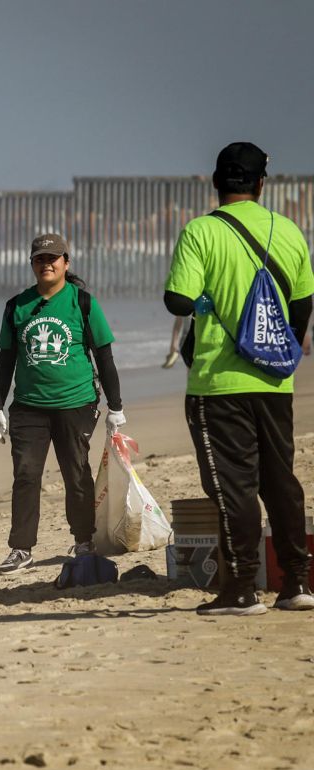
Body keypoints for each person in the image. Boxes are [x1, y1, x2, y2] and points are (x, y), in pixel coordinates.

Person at [164, 141, 314, 615]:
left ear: (216, 182)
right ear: (261, 184)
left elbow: (177, 301)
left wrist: (208, 300)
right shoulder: (289, 231)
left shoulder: (201, 231)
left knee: (234, 486)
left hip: (218, 382)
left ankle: (242, 588)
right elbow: (304, 303)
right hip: (274, 382)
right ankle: (297, 583)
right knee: (279, 480)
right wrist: (283, 348)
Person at [0, 233, 125, 573]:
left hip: (75, 403)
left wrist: (116, 407)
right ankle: (21, 549)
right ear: (32, 264)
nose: (47, 263)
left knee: (76, 473)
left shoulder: (82, 302)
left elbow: (104, 356)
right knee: (25, 475)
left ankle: (84, 540)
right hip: (29, 407)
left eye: (54, 258)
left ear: (66, 262)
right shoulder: (17, 306)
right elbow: (6, 360)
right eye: (40, 259)